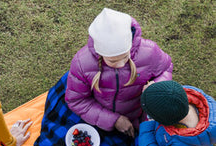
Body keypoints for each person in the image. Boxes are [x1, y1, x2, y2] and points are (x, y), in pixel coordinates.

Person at [65, 7, 172, 137]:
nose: (121, 65)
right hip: (101, 117)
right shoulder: (82, 64)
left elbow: (165, 68)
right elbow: (77, 100)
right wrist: (113, 120)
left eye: (125, 57)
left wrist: (157, 85)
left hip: (141, 116)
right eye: (113, 61)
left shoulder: (150, 52)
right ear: (100, 54)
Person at [138, 80, 216, 146]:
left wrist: (148, 124)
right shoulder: (183, 97)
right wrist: (155, 91)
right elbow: (168, 96)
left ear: (165, 121)